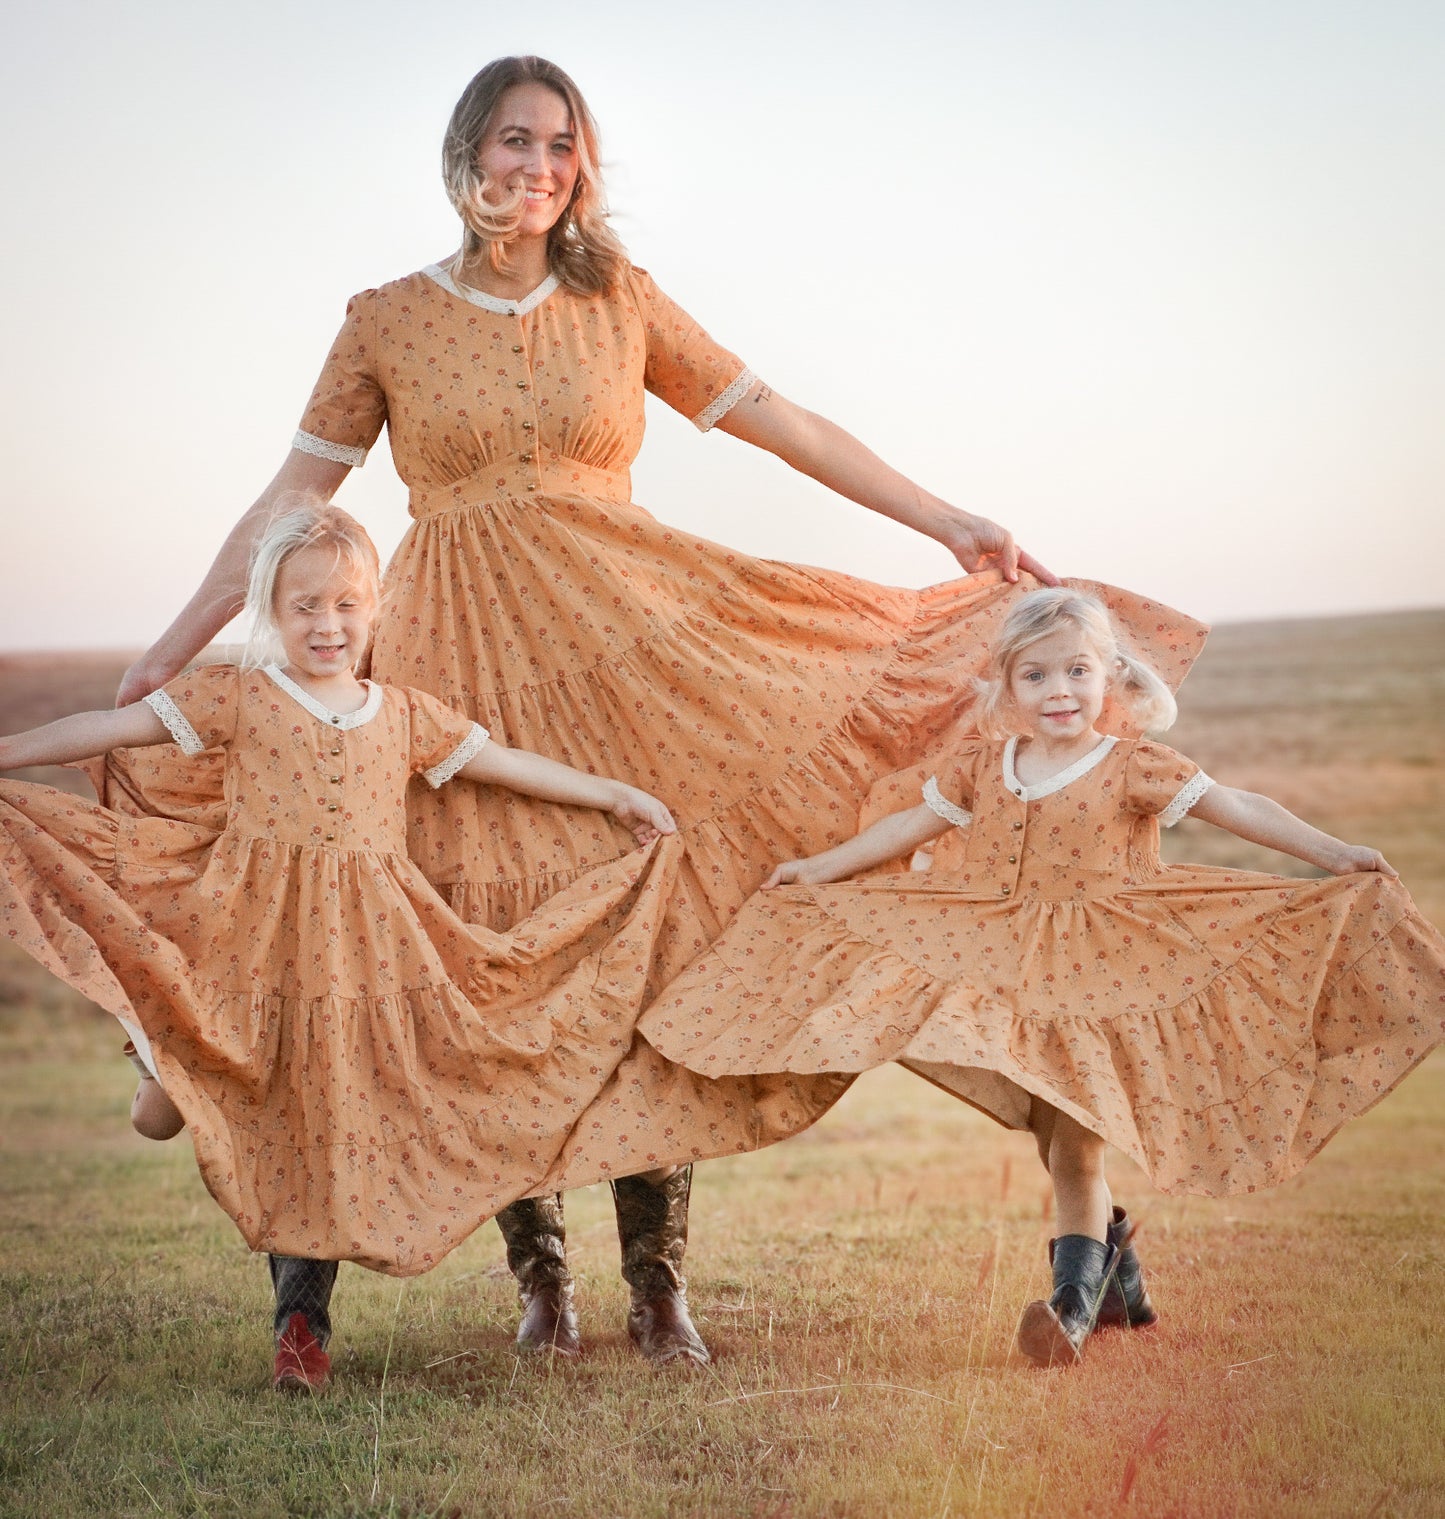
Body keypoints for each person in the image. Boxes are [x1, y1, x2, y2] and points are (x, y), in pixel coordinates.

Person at [100, 55, 1204, 1364]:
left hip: (635, 655)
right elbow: (293, 504)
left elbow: (773, 416)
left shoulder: (613, 295)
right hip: (457, 666)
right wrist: (172, 646)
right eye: (516, 141)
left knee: (660, 940)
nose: (540, 166)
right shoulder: (385, 318)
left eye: (563, 146)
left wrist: (946, 515)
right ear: (466, 155)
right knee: (478, 959)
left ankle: (660, 1284)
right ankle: (537, 1280)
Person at [639, 588, 1445, 1366]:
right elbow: (905, 826)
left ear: (1111, 679)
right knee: (1052, 1133)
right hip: (1003, 960)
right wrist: (817, 868)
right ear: (1007, 686)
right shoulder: (985, 767)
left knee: (1075, 1145)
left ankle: (1068, 1311)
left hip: (1107, 972)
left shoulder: (1133, 765)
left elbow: (1236, 804)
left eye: (1076, 671)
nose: (1058, 690)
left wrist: (1333, 854)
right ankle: (1114, 1266)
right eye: (1036, 675)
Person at [0, 501, 686, 1391]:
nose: (328, 625)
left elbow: (505, 763)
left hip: (364, 951)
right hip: (252, 948)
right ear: (271, 613)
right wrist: (8, 749)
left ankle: (301, 1332)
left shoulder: (399, 713)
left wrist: (613, 794)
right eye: (305, 607)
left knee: (314, 1120)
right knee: (161, 1114)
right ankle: (163, 1056)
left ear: (374, 609)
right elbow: (108, 729)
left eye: (346, 606)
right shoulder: (238, 696)